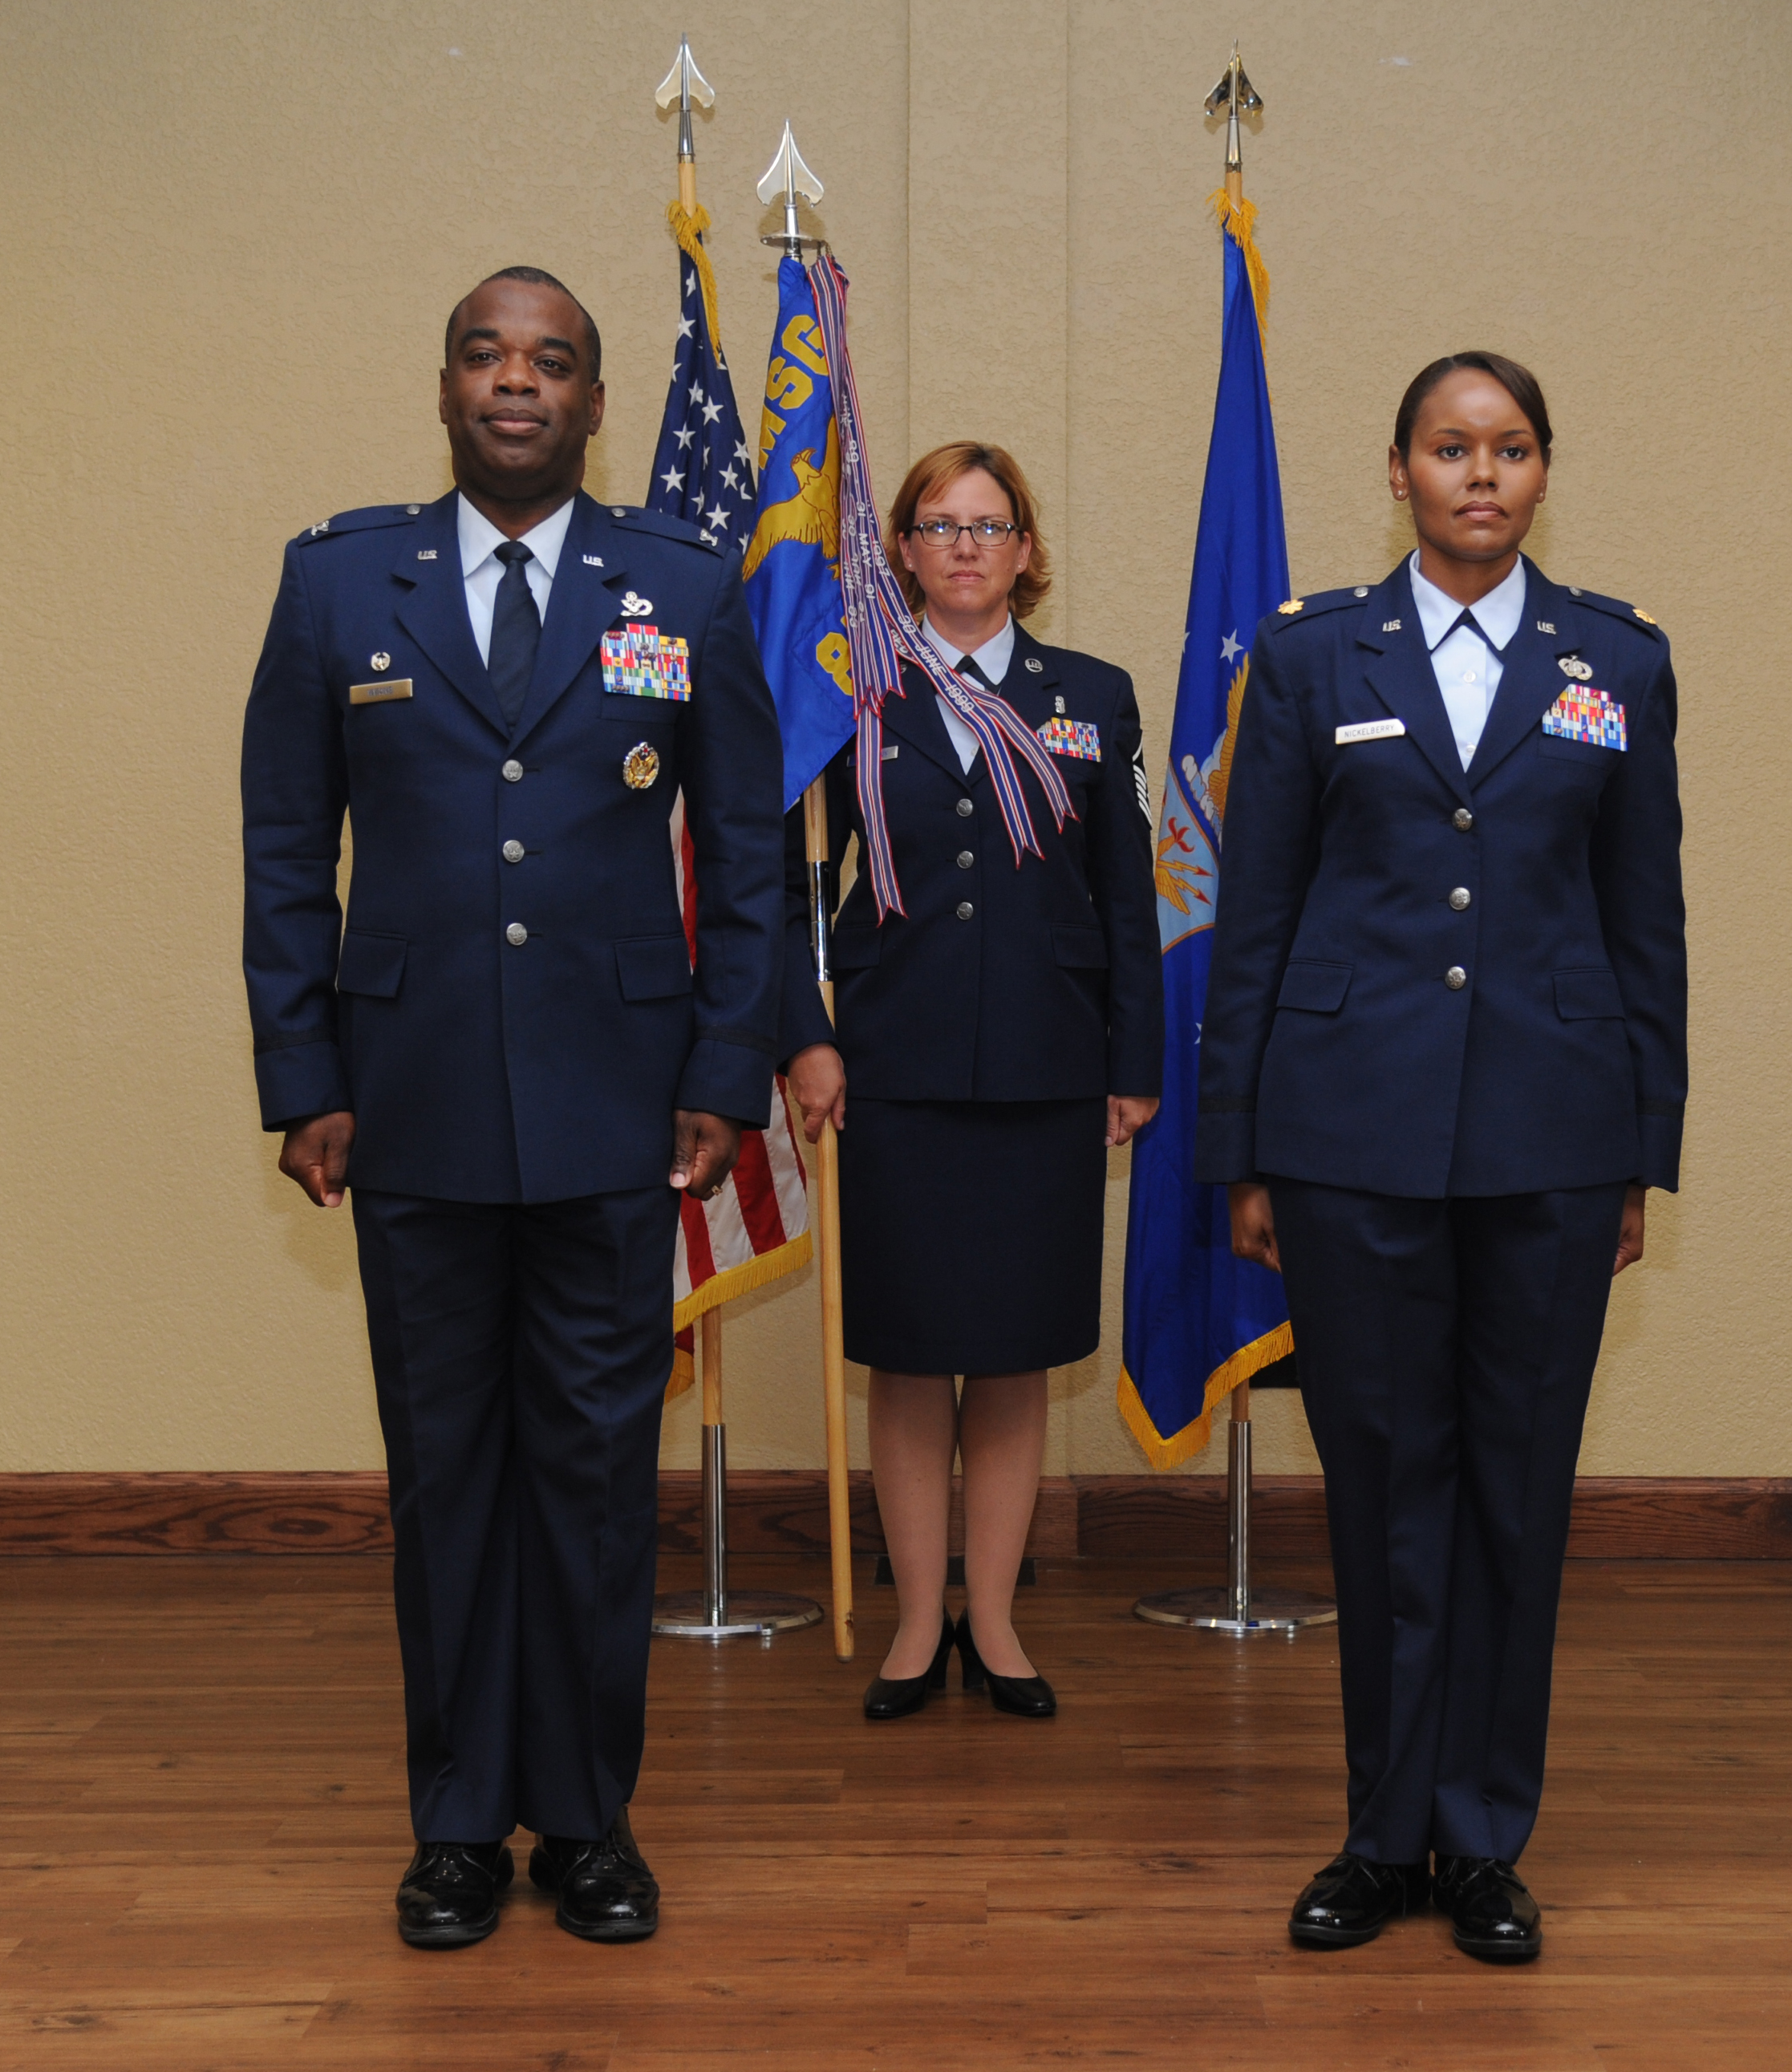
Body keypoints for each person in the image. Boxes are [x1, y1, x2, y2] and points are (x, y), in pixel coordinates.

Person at [240, 267, 795, 1949]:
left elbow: (754, 856)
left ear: (594, 402)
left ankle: (590, 1819)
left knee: (588, 1475)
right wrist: (303, 1072)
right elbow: (284, 851)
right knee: (445, 1478)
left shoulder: (681, 585)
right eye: (486, 353)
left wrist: (721, 1069)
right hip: (404, 1113)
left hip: (617, 1115)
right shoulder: (341, 583)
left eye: (551, 360)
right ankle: (460, 1822)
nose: (516, 381)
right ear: (443, 389)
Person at [1197, 352, 1688, 1963]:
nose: (1482, 474)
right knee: (1384, 1488)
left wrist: (1641, 1150)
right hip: (1348, 1133)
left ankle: (1481, 1837)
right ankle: (1378, 1830)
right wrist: (1242, 1146)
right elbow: (1255, 915)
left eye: (1512, 448)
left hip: (1552, 1134)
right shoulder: (1313, 648)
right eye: (1450, 448)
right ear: (1398, 467)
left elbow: (1644, 920)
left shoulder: (1614, 658)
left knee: (1513, 1491)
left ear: (1545, 470)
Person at [780, 442, 1162, 1721]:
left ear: (1027, 553)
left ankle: (992, 1623)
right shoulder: (848, 699)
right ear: (899, 549)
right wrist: (804, 1036)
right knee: (904, 1354)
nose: (963, 547)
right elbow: (786, 892)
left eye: (989, 525)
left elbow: (1126, 897)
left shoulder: (1091, 695)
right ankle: (910, 1628)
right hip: (889, 1064)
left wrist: (1134, 1061)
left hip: (1048, 1069)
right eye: (938, 525)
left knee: (1008, 1358)